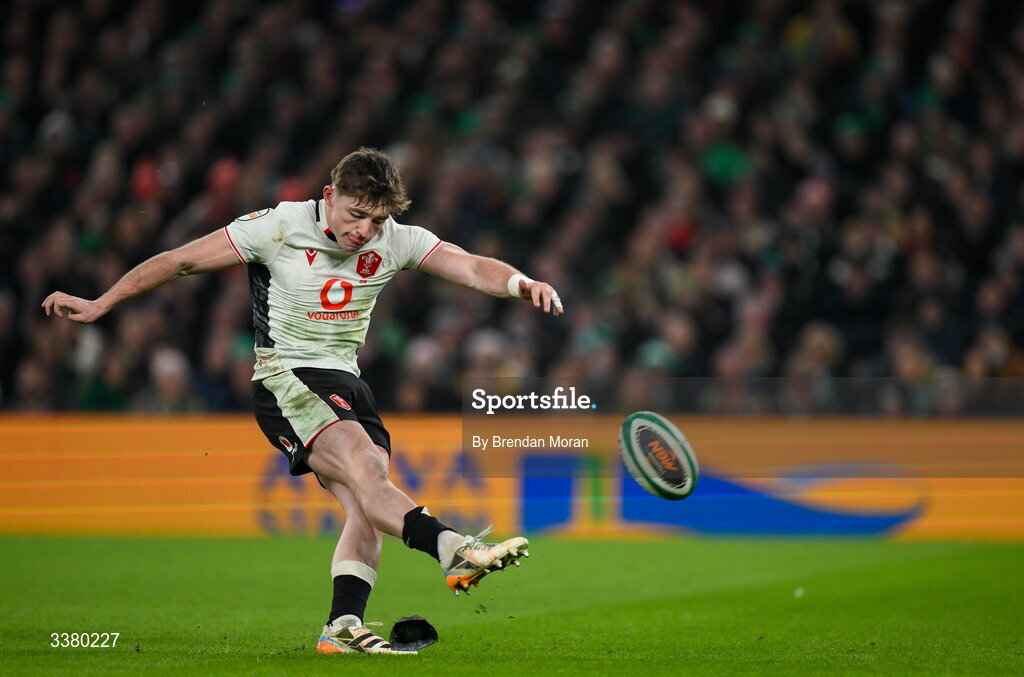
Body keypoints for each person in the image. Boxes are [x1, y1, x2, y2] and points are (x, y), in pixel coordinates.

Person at [43, 147, 564, 655]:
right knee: (365, 467)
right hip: (285, 378)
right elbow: (180, 261)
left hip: (348, 385)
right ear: (329, 196)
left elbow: (471, 267)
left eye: (376, 220)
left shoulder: (395, 240)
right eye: (356, 214)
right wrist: (102, 302)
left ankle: (342, 626)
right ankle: (455, 550)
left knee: (367, 501)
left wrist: (522, 282)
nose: (364, 231)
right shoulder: (277, 226)